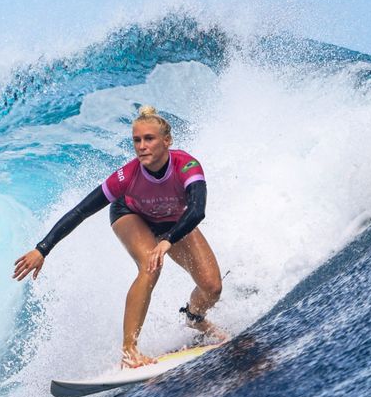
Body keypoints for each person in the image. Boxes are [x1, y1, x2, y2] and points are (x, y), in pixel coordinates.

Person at [13, 105, 228, 368]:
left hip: (174, 222)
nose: (142, 146)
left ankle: (195, 318)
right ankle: (129, 351)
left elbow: (196, 210)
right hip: (131, 214)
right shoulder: (126, 177)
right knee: (150, 265)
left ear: (167, 141)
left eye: (149, 139)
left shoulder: (187, 165)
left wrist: (167, 239)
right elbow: (81, 211)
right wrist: (42, 248)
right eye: (137, 140)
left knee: (212, 287)